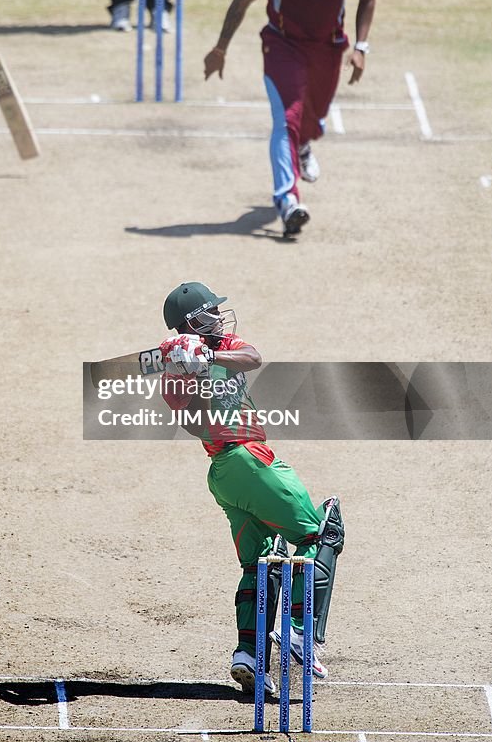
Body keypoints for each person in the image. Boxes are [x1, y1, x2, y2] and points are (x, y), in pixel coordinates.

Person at [158, 281, 345, 694]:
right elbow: (189, 421)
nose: (219, 316)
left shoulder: (221, 344)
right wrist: (182, 374)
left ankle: (247, 655)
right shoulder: (178, 367)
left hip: (224, 478)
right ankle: (300, 632)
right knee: (319, 534)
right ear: (190, 321)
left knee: (259, 564)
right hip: (248, 459)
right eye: (209, 312)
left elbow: (252, 356)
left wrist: (207, 355)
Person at [203, 0, 377, 235]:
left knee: (311, 119)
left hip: (328, 50)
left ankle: (303, 144)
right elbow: (242, 1)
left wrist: (361, 47)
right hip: (283, 47)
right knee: (286, 119)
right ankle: (288, 200)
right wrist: (220, 47)